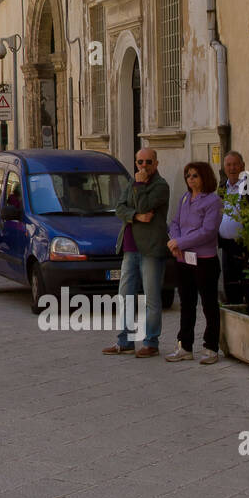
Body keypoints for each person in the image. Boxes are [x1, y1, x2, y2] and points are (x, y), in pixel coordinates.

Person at [103, 148, 169, 358]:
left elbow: (145, 204)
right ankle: (125, 341)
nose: (143, 166)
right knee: (125, 296)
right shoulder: (132, 182)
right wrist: (136, 217)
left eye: (148, 162)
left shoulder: (161, 186)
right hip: (130, 248)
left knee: (151, 298)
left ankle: (151, 342)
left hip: (150, 249)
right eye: (140, 162)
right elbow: (119, 208)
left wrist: (140, 186)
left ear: (156, 164)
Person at [165, 162, 224, 364]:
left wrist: (180, 242)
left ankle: (210, 347)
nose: (191, 179)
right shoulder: (184, 198)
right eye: (188, 175)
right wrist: (175, 241)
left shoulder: (213, 201)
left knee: (208, 304)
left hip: (204, 260)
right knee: (186, 304)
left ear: (204, 177)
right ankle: (185, 346)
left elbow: (207, 231)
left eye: (195, 175)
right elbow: (175, 223)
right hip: (183, 259)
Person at [217, 151, 249, 309]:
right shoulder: (223, 186)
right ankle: (235, 321)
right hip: (227, 245)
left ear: (243, 166)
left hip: (248, 247)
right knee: (231, 285)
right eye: (228, 165)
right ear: (224, 168)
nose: (232, 168)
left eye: (235, 164)